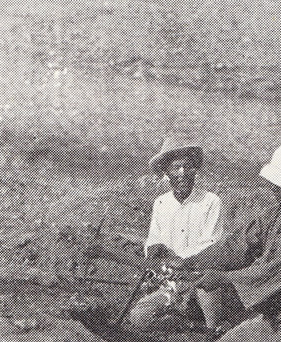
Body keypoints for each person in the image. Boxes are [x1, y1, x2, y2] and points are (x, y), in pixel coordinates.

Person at [171, 139, 281, 342]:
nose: (276, 188)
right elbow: (237, 245)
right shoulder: (274, 215)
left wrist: (223, 278)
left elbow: (275, 270)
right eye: (276, 183)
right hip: (271, 319)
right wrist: (193, 262)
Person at [86, 136, 225, 331]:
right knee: (138, 318)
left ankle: (213, 331)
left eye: (187, 167)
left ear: (195, 170)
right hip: (171, 285)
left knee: (207, 290)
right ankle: (190, 328)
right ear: (166, 172)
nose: (182, 173)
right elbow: (154, 238)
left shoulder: (210, 201)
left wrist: (180, 262)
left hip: (199, 280)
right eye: (176, 168)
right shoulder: (161, 203)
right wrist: (154, 248)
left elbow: (210, 244)